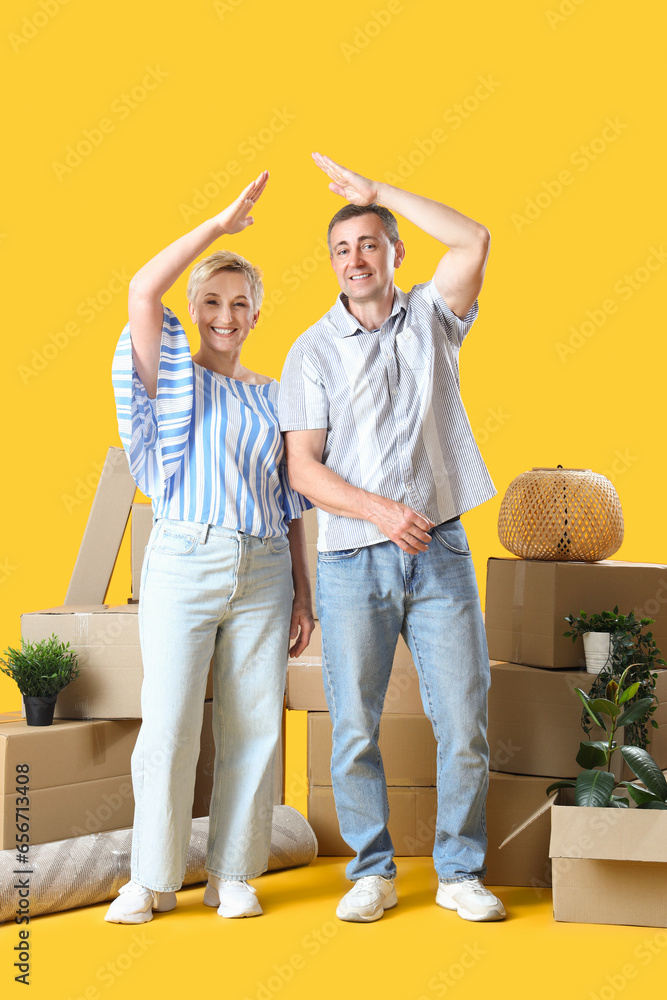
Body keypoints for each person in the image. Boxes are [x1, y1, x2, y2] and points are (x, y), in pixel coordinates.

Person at [279, 153, 505, 923]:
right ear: (332, 265)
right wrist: (377, 512)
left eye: (369, 242)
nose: (355, 259)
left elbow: (472, 238)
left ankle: (458, 872)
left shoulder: (433, 319)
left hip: (438, 548)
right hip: (350, 559)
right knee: (351, 728)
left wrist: (375, 193)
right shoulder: (310, 351)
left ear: (395, 253)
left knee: (465, 722)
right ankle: (370, 872)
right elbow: (302, 469)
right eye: (342, 249)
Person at [106, 172, 314, 924]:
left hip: (264, 570)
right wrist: (220, 228)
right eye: (211, 301)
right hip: (184, 562)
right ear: (192, 309)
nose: (225, 315)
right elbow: (139, 287)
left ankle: (232, 873)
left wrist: (304, 593)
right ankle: (152, 880)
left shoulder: (275, 394)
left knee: (254, 725)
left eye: (239, 303)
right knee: (167, 723)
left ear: (256, 315)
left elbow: (293, 500)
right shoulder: (167, 381)